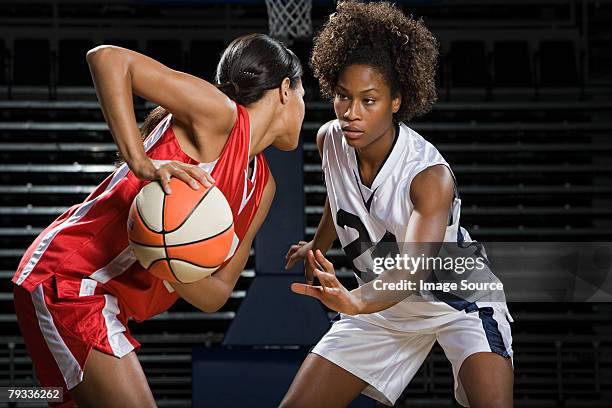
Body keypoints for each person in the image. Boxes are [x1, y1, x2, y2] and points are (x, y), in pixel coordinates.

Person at [12, 33, 305, 407]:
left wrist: (169, 258)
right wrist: (140, 162)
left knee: (44, 398)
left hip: (105, 301)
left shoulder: (263, 187)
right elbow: (108, 59)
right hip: (70, 281)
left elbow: (216, 294)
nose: (305, 105)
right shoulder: (220, 115)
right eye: (302, 93)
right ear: (284, 89)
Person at [282, 2, 513, 407]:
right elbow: (340, 198)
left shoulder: (427, 177)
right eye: (342, 97)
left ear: (395, 101)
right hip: (381, 304)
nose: (351, 113)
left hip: (455, 300)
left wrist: (354, 301)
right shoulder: (331, 140)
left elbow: (411, 274)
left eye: (368, 101)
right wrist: (316, 244)